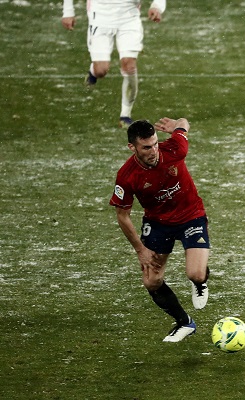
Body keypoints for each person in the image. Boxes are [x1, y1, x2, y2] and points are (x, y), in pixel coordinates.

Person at [109, 117, 210, 342]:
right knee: (151, 281)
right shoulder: (127, 176)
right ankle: (185, 323)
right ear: (132, 147)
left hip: (191, 216)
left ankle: (200, 282)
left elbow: (184, 122)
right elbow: (122, 215)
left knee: (195, 273)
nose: (154, 150)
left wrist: (177, 125)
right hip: (157, 224)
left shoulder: (175, 148)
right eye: (146, 147)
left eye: (155, 143)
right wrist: (139, 250)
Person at [61, 1, 166, 128]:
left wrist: (157, 7)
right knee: (101, 70)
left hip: (129, 16)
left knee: (129, 65)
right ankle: (93, 72)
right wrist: (68, 12)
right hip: (100, 15)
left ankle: (125, 115)